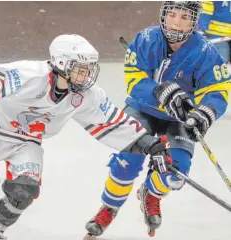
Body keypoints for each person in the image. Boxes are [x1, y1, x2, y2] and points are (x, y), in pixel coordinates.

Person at [0, 34, 173, 240]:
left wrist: (147, 143)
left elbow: (112, 121)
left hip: (26, 143)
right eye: (81, 67)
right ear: (62, 63)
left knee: (25, 191)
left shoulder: (85, 96)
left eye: (90, 68)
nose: (88, 74)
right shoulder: (30, 74)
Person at [85, 1, 231, 239]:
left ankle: (150, 194)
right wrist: (158, 90)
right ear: (163, 15)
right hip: (143, 109)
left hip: (179, 119)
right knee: (126, 159)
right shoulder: (145, 39)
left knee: (176, 172)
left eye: (184, 17)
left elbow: (218, 89)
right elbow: (134, 79)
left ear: (194, 20)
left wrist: (204, 113)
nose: (176, 21)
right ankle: (109, 207)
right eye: (172, 14)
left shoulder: (205, 51)